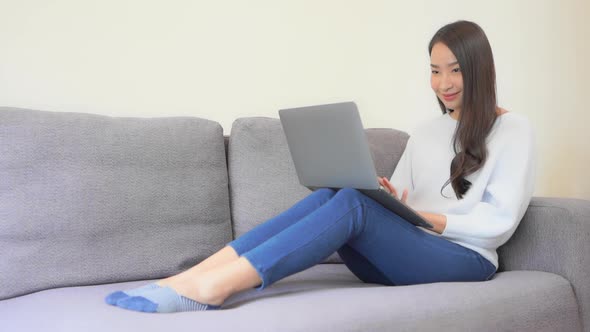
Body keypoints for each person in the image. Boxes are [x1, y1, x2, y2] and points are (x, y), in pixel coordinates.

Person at [105, 20, 536, 313]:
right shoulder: (426, 130)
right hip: (403, 254)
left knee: (351, 204)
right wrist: (386, 195)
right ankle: (190, 275)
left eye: (455, 70)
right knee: (340, 193)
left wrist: (423, 218)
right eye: (435, 70)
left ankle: (214, 289)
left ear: (479, 70)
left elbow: (497, 223)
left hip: (467, 260)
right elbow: (403, 195)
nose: (443, 83)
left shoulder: (513, 130)